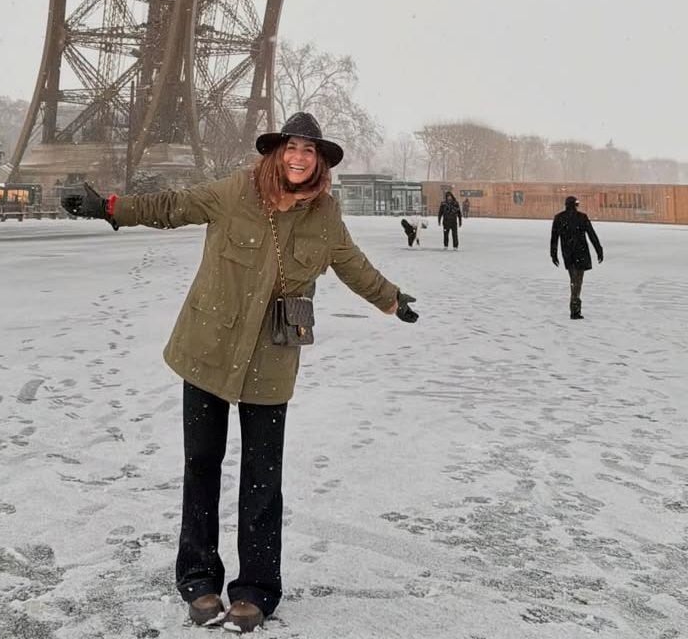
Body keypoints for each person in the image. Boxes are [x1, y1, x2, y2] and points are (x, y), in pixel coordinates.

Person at [60, 112, 419, 632]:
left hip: (271, 359)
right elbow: (173, 206)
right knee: (201, 467)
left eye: (310, 151)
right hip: (207, 347)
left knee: (262, 480)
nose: (300, 158)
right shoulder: (235, 191)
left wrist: (390, 299)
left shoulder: (325, 215)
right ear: (276, 153)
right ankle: (199, 578)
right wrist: (111, 206)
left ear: (319, 161)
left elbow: (352, 264)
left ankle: (255, 589)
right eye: (293, 148)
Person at [550, 195, 603, 319]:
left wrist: (554, 254)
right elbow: (592, 235)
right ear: (575, 205)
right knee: (577, 281)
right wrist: (599, 250)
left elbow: (554, 238)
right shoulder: (582, 218)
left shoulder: (559, 218)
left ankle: (575, 307)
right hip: (581, 253)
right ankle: (575, 309)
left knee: (575, 280)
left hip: (568, 254)